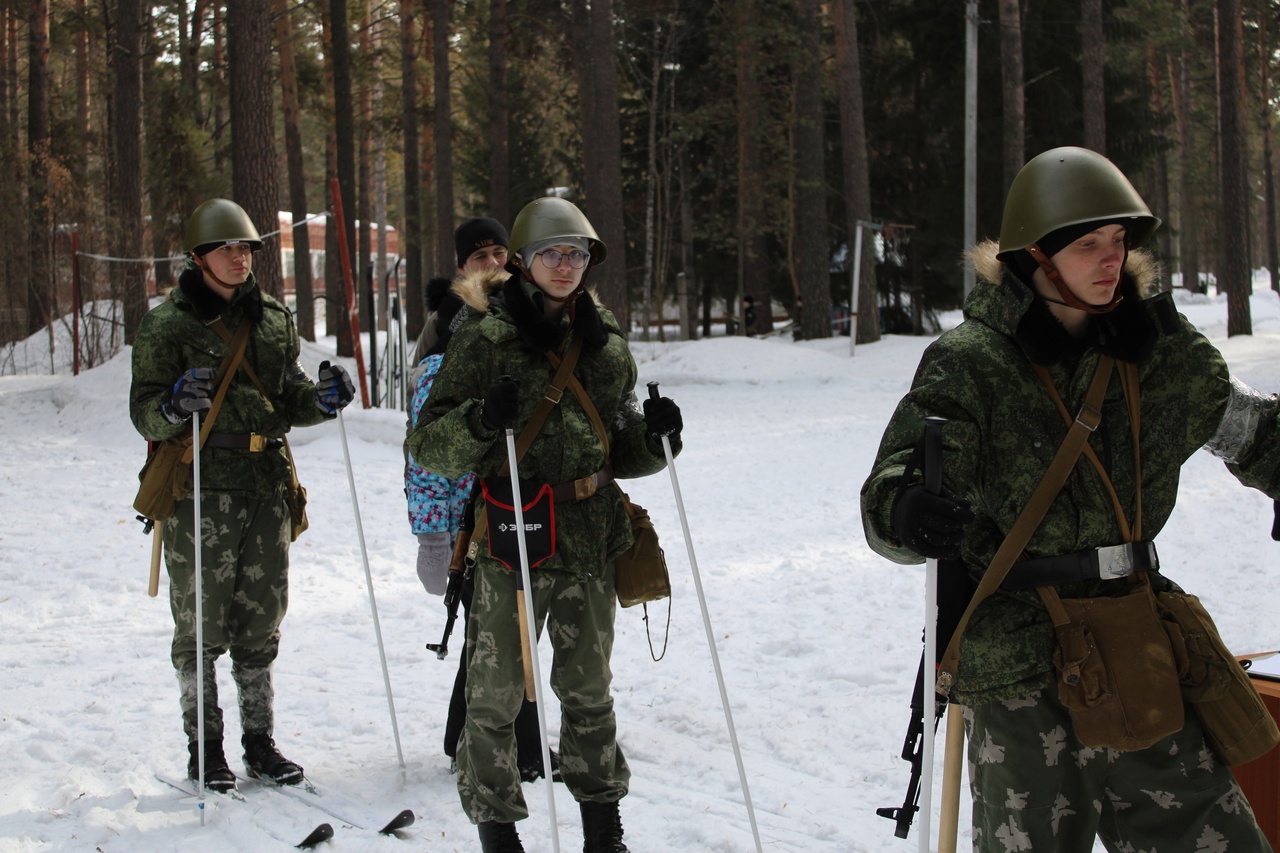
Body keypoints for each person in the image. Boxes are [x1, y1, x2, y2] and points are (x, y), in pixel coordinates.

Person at [860, 147, 1275, 851]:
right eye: (1088, 245)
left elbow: (1247, 427)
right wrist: (907, 511)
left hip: (1141, 645)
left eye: (1119, 242)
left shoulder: (1158, 353)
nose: (1111, 259)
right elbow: (900, 479)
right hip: (1022, 667)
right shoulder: (974, 362)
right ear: (1033, 256)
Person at [407, 196, 683, 853]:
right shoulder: (482, 333)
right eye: (554, 253)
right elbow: (428, 444)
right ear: (526, 262)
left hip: (587, 531)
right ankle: (498, 829)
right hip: (510, 532)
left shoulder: (606, 341)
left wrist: (660, 435)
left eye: (578, 253)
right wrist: (480, 420)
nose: (567, 265)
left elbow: (617, 443)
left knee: (589, 688)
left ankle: (603, 827)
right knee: (496, 693)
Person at [130, 199, 356, 793]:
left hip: (265, 485)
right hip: (201, 489)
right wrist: (175, 404)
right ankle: (204, 746)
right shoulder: (168, 324)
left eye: (248, 249)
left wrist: (326, 399)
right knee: (201, 624)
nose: (240, 258)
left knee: (261, 619)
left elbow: (290, 399)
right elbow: (144, 414)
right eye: (228, 249)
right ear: (199, 257)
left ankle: (260, 741)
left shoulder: (274, 320)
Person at [404, 216, 553, 783]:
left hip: (523, 498)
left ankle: (471, 735)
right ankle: (509, 743)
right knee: (496, 632)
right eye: (479, 255)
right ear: (461, 265)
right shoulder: (447, 327)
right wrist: (433, 535)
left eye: (500, 252)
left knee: (507, 628)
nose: (492, 262)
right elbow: (424, 445)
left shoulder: (529, 310)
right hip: (470, 511)